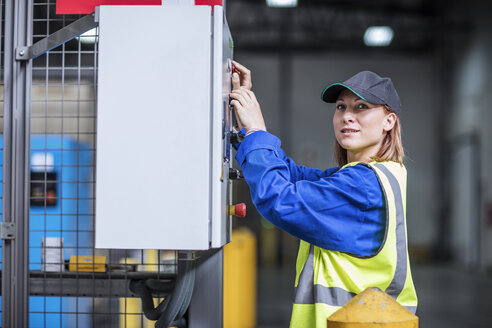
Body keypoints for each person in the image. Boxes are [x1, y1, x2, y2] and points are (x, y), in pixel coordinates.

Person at [229, 61, 418, 327]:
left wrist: (257, 131)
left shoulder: (363, 185)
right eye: (341, 107)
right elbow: (293, 176)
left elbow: (280, 200)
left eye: (361, 107)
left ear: (389, 121)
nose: (346, 116)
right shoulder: (381, 173)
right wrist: (245, 131)